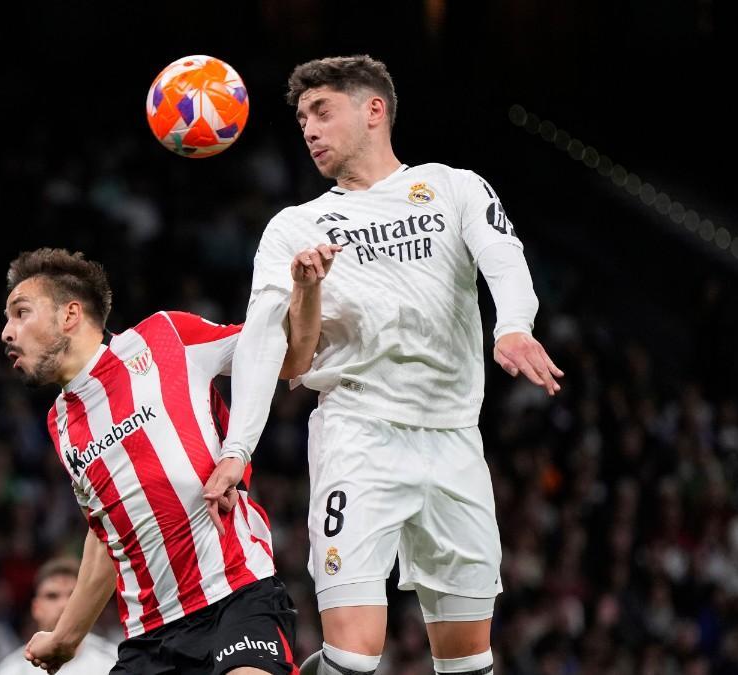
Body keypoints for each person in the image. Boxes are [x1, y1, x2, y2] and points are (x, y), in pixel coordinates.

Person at [203, 55, 564, 675]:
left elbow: (505, 258)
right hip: (359, 435)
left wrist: (512, 326)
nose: (308, 129)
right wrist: (239, 447)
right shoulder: (297, 226)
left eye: (322, 111)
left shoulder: (454, 187)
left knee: (469, 662)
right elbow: (265, 342)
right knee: (352, 656)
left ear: (374, 110)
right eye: (301, 118)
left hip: (454, 440)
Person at [0, 248, 297, 675]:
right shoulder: (60, 423)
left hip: (236, 595)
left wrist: (305, 292)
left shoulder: (164, 337)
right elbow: (106, 536)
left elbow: (281, 354)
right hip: (150, 636)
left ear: (70, 315)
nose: (7, 333)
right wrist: (66, 638)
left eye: (21, 313)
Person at [0, 557, 115, 675]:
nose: (64, 604)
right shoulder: (12, 670)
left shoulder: (113, 662)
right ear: (36, 608)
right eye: (52, 596)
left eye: (73, 596)